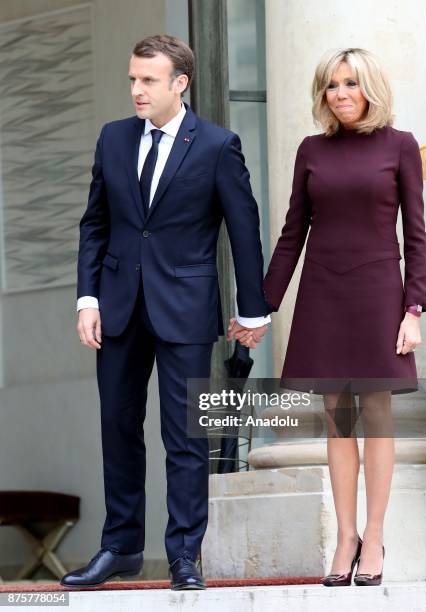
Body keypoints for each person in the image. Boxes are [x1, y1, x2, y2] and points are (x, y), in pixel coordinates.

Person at [61, 34, 270, 590]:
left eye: (148, 80)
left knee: (184, 436)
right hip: (119, 307)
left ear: (180, 83)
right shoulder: (112, 139)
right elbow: (95, 225)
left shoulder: (218, 145)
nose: (136, 89)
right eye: (133, 78)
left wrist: (254, 311)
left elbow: (243, 231)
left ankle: (184, 554)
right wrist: (88, 299)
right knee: (117, 428)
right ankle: (121, 548)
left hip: (186, 308)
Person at [233, 48, 426, 586]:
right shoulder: (311, 149)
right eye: (330, 86)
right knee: (338, 421)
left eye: (349, 84)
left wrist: (413, 308)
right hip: (323, 292)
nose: (339, 94)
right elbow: (293, 233)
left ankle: (375, 534)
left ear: (369, 87)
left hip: (377, 295)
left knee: (378, 417)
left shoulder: (400, 146)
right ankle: (346, 537)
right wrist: (261, 307)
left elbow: (415, 236)